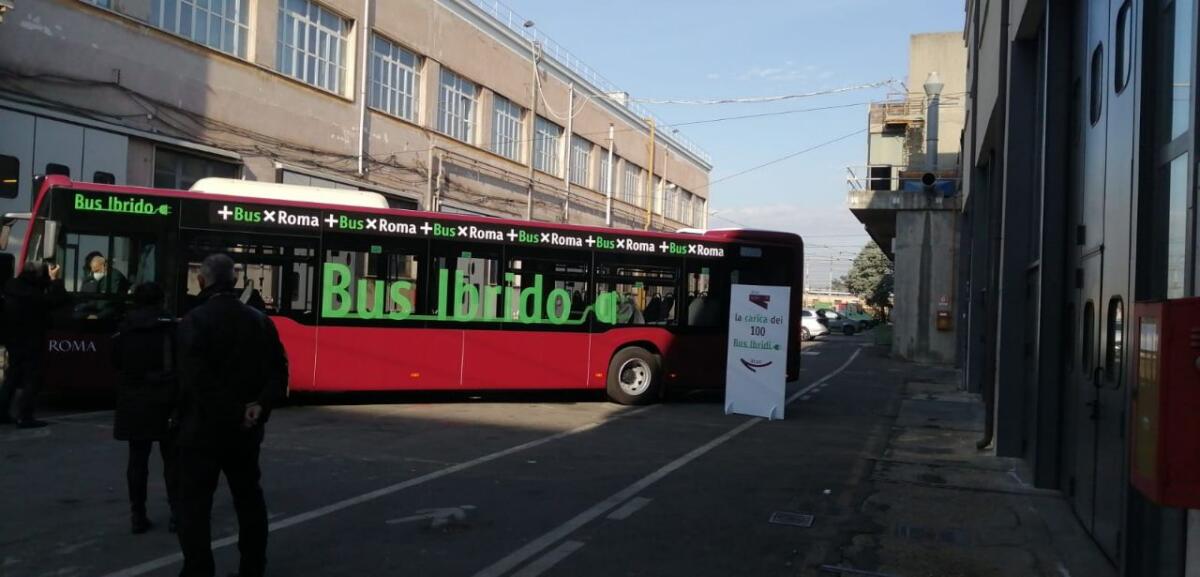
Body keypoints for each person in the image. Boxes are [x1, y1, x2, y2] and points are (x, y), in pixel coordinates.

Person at [175, 254, 288, 577]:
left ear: (201, 281)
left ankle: (198, 569)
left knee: (195, 505)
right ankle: (253, 566)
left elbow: (194, 382)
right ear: (235, 281)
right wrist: (257, 407)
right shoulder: (259, 321)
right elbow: (279, 371)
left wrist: (232, 411)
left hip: (202, 429)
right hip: (246, 431)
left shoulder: (194, 321)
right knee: (249, 499)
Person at [111, 282, 179, 534]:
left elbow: (115, 361)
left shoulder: (124, 328)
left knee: (137, 461)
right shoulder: (171, 327)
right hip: (165, 399)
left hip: (133, 399)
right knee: (172, 461)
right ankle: (176, 513)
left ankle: (137, 513)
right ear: (160, 300)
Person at [0, 261, 67, 428]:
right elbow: (59, 300)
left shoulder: (11, 287)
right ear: (38, 275)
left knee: (12, 377)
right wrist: (55, 280)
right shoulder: (33, 295)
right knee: (32, 379)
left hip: (12, 340)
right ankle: (25, 416)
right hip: (31, 340)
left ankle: (2, 412)